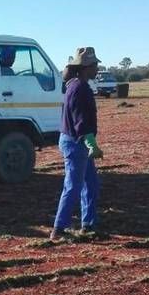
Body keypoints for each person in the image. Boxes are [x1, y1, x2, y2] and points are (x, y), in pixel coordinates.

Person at [52, 47, 103, 238]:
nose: (97, 68)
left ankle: (88, 225)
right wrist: (92, 144)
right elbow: (80, 121)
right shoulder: (80, 89)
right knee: (73, 186)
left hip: (75, 140)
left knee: (91, 184)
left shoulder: (74, 85)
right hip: (76, 142)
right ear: (86, 67)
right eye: (95, 65)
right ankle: (59, 229)